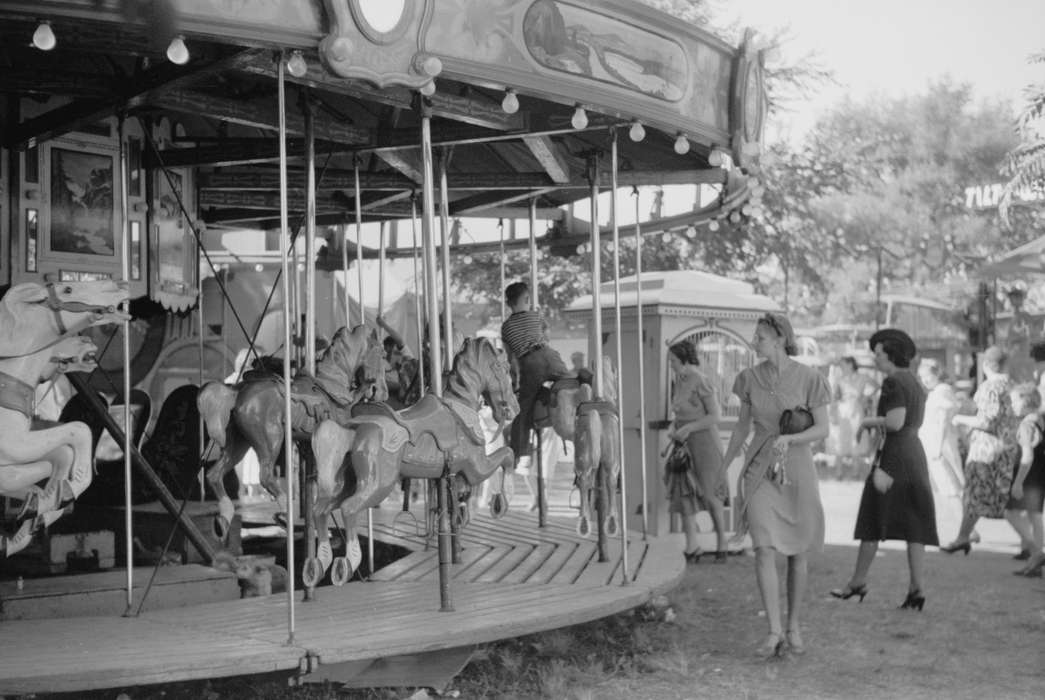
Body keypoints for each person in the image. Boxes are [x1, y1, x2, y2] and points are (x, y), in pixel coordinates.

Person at [722, 312, 830, 658]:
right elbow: (741, 428)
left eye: (761, 337)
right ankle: (773, 630)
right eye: (755, 337)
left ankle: (794, 625)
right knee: (764, 548)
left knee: (797, 551)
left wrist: (790, 439)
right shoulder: (748, 378)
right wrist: (723, 468)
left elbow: (823, 429)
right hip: (760, 468)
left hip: (796, 469)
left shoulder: (810, 378)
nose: (755, 343)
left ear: (781, 338)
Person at [831, 329, 939, 612]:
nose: (875, 358)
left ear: (890, 355)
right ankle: (917, 588)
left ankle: (857, 582)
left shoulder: (893, 381)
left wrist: (867, 422)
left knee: (872, 519)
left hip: (895, 458)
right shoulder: (914, 380)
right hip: (914, 456)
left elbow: (894, 422)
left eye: (878, 353)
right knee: (915, 524)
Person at [941, 345, 1019, 555]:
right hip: (1007, 446)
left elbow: (986, 421)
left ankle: (1032, 545)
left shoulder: (989, 387)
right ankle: (963, 537)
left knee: (979, 495)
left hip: (987, 448)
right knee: (991, 497)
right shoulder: (1012, 385)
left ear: (986, 364)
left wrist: (959, 419)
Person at [665, 340, 727, 562]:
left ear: (683, 359)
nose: (670, 364)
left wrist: (689, 427)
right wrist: (675, 428)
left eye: (672, 360)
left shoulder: (701, 380)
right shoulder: (679, 380)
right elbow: (680, 413)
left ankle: (722, 544)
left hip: (705, 444)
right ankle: (692, 547)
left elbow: (715, 415)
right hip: (684, 445)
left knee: (711, 495)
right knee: (684, 495)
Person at [501, 282, 570, 470]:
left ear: (508, 303)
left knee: (523, 409)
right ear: (527, 299)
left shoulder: (506, 327)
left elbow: (511, 360)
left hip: (529, 363)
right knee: (570, 384)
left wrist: (515, 384)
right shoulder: (536, 316)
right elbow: (547, 336)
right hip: (550, 356)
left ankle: (521, 454)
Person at [917, 359, 964, 527]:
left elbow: (944, 420)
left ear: (936, 374)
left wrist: (938, 447)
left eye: (927, 376)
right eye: (922, 377)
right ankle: (960, 526)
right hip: (934, 444)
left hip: (940, 446)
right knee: (945, 487)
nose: (925, 380)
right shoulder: (937, 391)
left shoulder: (942, 390)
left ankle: (965, 529)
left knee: (950, 488)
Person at [1005, 383, 1045, 576]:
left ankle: (1037, 554)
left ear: (1025, 401)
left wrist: (1018, 480)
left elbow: (1027, 455)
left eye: (1014, 400)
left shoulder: (1026, 425)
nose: (1012, 405)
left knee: (1011, 514)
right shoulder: (1040, 419)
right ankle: (1035, 561)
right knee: (1035, 517)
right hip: (1039, 475)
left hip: (1029, 477)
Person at [829, 356, 877, 475]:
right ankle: (839, 472)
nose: (841, 367)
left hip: (856, 409)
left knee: (856, 438)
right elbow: (833, 397)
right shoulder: (840, 379)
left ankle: (855, 472)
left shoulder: (863, 377)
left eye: (843, 365)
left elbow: (877, 386)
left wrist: (866, 397)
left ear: (850, 364)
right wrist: (833, 413)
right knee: (841, 438)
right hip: (843, 410)